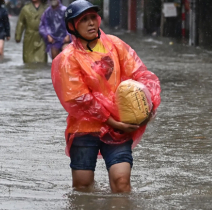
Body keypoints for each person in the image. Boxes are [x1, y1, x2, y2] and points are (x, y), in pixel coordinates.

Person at [51, 1, 161, 193]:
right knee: (82, 187)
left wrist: (149, 102)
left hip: (119, 127)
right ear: (73, 26)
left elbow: (141, 74)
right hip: (85, 129)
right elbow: (80, 100)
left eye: (93, 17)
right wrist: (113, 122)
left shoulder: (115, 45)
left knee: (121, 182)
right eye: (84, 20)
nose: (91, 23)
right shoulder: (68, 59)